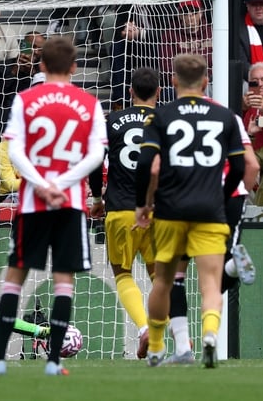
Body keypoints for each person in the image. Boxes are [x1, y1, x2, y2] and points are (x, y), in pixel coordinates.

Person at [0, 36, 106, 376]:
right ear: (75, 68)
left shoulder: (25, 99)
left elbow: (15, 151)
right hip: (71, 201)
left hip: (33, 201)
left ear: (42, 65)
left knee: (15, 277)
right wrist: (61, 185)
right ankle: (54, 362)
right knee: (64, 280)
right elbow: (96, 155)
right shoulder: (89, 103)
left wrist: (42, 184)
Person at [134, 53, 245, 368]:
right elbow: (239, 166)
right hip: (210, 209)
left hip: (170, 210)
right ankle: (209, 334)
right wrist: (221, 197)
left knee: (164, 282)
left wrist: (143, 204)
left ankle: (156, 347)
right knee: (210, 282)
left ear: (173, 81)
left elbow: (146, 164)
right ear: (206, 81)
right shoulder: (225, 117)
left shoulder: (161, 116)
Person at [89, 67, 160, 360]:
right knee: (163, 277)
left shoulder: (113, 121)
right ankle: (167, 336)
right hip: (158, 211)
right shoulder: (165, 121)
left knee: (123, 274)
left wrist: (96, 198)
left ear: (130, 92)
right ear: (158, 92)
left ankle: (144, 328)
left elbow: (95, 163)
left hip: (120, 209)